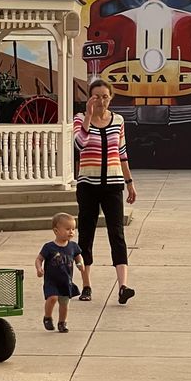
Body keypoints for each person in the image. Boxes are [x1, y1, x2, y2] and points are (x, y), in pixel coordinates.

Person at [75, 79, 137, 304]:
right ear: (89, 98)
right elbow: (79, 145)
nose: (101, 100)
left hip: (113, 184)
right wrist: (89, 116)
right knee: (86, 234)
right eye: (96, 96)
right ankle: (86, 285)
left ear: (111, 97)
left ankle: (123, 286)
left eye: (104, 96)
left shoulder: (118, 120)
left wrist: (129, 182)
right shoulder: (80, 120)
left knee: (117, 234)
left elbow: (122, 153)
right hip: (88, 185)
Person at [35, 212, 84, 332]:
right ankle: (47, 317)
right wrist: (39, 268)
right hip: (51, 280)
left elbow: (78, 256)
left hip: (66, 280)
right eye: (67, 229)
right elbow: (39, 259)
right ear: (56, 231)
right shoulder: (49, 247)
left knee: (64, 303)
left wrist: (80, 264)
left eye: (73, 229)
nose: (71, 232)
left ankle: (62, 322)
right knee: (52, 298)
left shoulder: (73, 246)